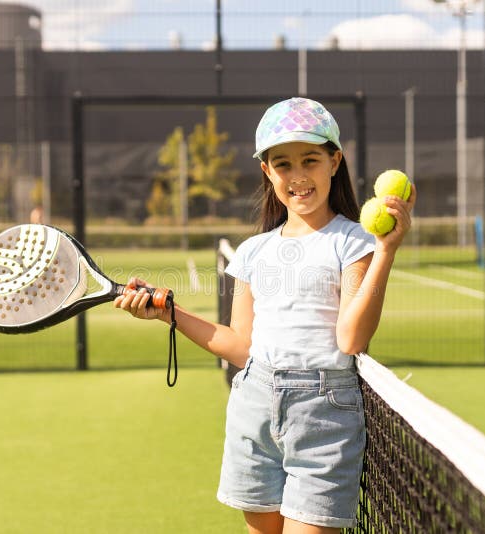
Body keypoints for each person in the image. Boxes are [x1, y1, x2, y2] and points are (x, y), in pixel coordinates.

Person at [115, 97, 415, 534]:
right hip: (253, 406)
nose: (297, 176)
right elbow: (240, 345)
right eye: (282, 164)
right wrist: (168, 313)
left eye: (310, 160)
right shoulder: (253, 251)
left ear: (335, 161)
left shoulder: (355, 241)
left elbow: (351, 340)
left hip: (324, 414)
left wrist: (386, 250)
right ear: (267, 171)